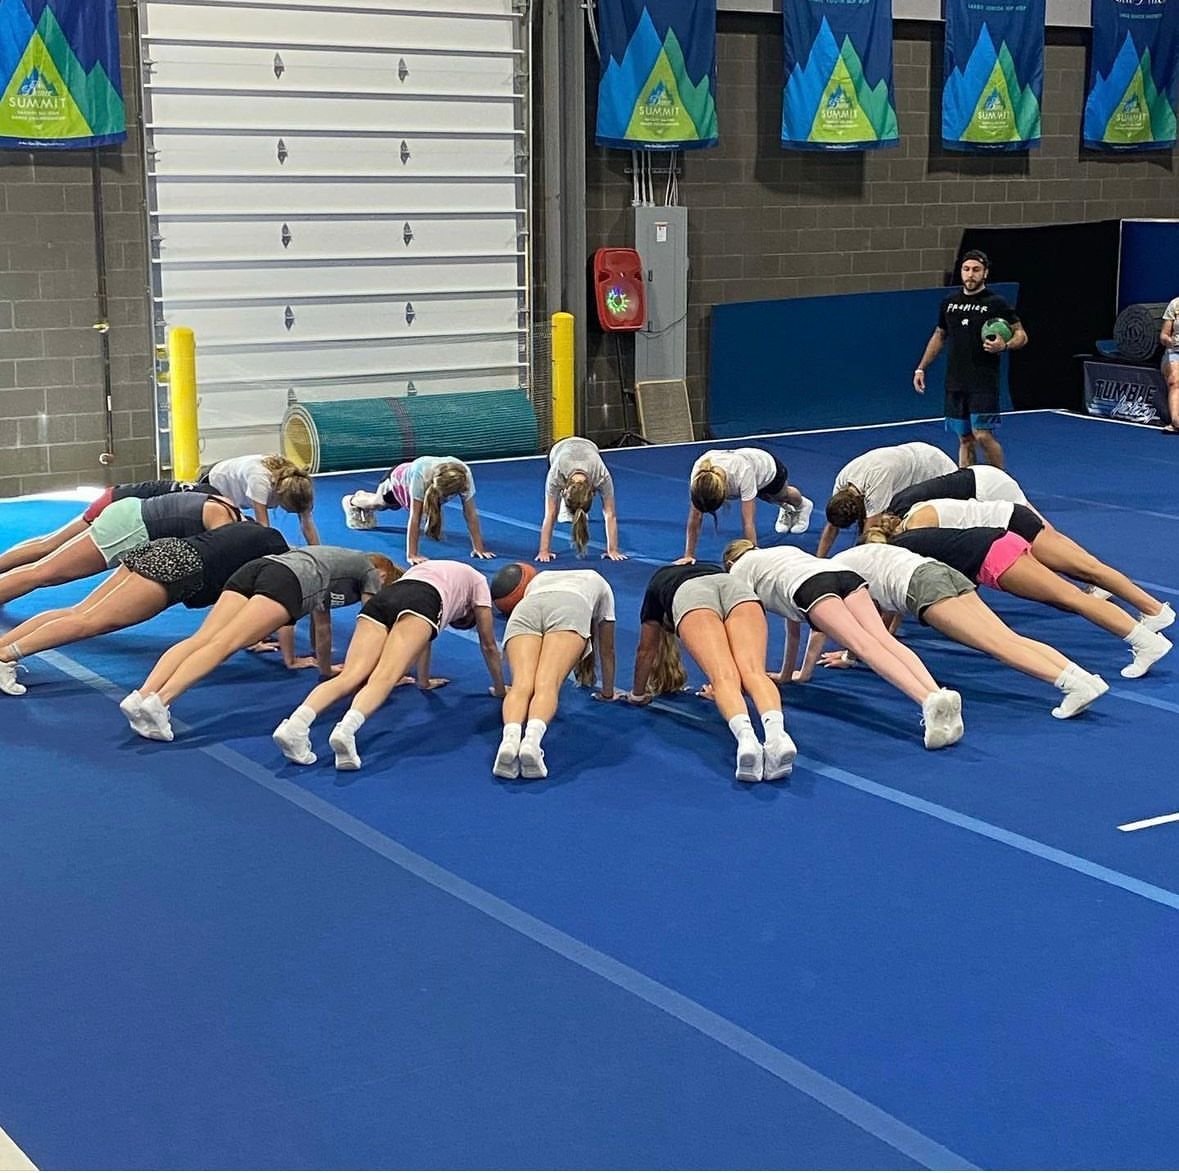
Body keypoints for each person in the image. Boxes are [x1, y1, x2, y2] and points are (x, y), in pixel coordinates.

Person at [120, 548, 401, 741]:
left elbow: (323, 627)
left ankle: (141, 696)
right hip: (288, 581)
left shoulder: (340, 563)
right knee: (225, 644)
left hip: (259, 568)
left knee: (204, 639)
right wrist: (383, 673)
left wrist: (325, 670)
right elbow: (372, 625)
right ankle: (161, 701)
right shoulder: (370, 572)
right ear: (384, 576)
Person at [0, 521, 288, 697]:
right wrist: (281, 651)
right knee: (92, 621)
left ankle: (3, 647)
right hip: (178, 569)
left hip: (161, 549)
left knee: (80, 611)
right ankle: (5, 657)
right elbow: (267, 601)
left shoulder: (252, 529)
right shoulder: (281, 561)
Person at [830, 537, 1108, 719]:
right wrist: (849, 656)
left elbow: (838, 626)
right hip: (941, 571)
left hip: (922, 587)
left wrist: (811, 668)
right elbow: (877, 615)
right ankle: (1084, 678)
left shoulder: (829, 577)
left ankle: (1071, 685)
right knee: (1008, 637)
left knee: (997, 646)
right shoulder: (854, 557)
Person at [724, 540, 964, 750]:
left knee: (863, 646)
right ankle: (938, 694)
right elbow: (793, 627)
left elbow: (743, 625)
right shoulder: (778, 554)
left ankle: (926, 700)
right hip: (843, 574)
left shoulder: (739, 570)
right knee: (882, 638)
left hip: (811, 586)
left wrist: (733, 682)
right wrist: (790, 674)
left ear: (731, 563)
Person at [272, 559, 505, 770]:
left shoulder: (432, 568)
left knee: (349, 675)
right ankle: (346, 730)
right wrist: (501, 688)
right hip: (424, 601)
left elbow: (424, 642)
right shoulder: (479, 583)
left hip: (387, 597)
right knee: (384, 677)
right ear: (469, 612)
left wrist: (423, 681)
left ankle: (295, 726)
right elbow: (488, 644)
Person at [877, 519, 1172, 679]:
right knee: (1068, 598)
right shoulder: (908, 542)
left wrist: (866, 650)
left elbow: (893, 602)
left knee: (1073, 599)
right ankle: (1144, 639)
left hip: (994, 556)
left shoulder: (898, 553)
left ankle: (1146, 642)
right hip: (997, 545)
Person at [894, 497, 1175, 633]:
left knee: (1087, 570)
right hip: (998, 534)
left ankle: (1153, 609)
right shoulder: (911, 521)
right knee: (1069, 591)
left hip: (1011, 524)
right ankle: (1144, 617)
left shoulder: (917, 529)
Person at [628, 562, 798, 782]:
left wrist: (638, 694)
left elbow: (646, 650)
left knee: (723, 677)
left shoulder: (655, 587)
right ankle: (777, 735)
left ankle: (747, 739)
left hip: (691, 595)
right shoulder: (704, 566)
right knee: (755, 672)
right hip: (735, 587)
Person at [0, 491, 241, 608]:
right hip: (130, 526)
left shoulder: (225, 507)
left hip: (131, 516)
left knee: (45, 568)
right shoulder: (223, 521)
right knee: (46, 573)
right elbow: (219, 570)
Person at [491, 568, 619, 779]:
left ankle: (509, 740)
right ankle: (531, 743)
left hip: (526, 608)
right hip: (570, 607)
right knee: (547, 684)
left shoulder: (540, 578)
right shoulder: (601, 583)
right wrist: (607, 693)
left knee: (521, 685)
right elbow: (607, 650)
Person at [913, 249, 1028, 469]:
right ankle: (969, 487)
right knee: (965, 439)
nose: (970, 274)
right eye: (966, 269)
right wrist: (921, 368)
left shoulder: (997, 303)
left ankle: (1000, 481)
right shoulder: (949, 303)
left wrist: (1005, 345)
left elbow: (1021, 335)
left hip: (983, 381)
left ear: (985, 273)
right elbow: (940, 335)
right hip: (956, 381)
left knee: (982, 434)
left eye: (976, 270)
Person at [0, 479, 220, 575]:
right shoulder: (212, 508)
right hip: (118, 504)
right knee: (49, 548)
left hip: (119, 497)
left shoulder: (206, 494)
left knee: (48, 543)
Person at [340, 455, 493, 565]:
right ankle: (353, 501)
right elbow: (415, 516)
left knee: (395, 506)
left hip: (422, 484)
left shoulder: (464, 476)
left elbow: (470, 513)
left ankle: (362, 498)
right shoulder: (421, 475)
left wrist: (478, 548)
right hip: (396, 482)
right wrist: (412, 554)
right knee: (379, 504)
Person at [816, 441, 957, 556]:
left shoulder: (877, 486)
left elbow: (870, 534)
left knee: (910, 524)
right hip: (911, 462)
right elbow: (831, 527)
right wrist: (818, 561)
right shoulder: (842, 483)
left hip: (933, 468)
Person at [678, 447, 813, 564]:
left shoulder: (742, 473)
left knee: (780, 496)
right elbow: (695, 516)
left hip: (767, 468)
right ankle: (785, 509)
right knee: (768, 499)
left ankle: (802, 505)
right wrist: (689, 555)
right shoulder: (700, 477)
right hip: (748, 469)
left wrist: (753, 556)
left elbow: (748, 521)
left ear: (725, 494)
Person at [536, 437, 626, 562]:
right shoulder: (556, 474)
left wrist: (612, 549)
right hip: (559, 449)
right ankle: (568, 504)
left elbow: (610, 514)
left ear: (593, 492)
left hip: (590, 447)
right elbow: (551, 514)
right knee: (558, 511)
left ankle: (574, 505)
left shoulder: (601, 475)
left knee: (572, 508)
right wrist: (543, 551)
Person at [201, 454, 320, 544]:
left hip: (237, 480)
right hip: (214, 479)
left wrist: (318, 554)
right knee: (228, 529)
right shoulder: (261, 483)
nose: (289, 513)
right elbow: (263, 527)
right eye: (289, 510)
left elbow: (308, 524)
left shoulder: (301, 486)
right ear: (279, 496)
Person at [884, 465, 1031, 519]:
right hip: (979, 475)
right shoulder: (897, 504)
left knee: (1039, 533)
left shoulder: (908, 514)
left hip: (987, 485)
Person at [1158, 296, 1179, 434]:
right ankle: (1176, 421)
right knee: (1175, 379)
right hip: (1175, 352)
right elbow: (1164, 336)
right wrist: (1172, 342)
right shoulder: (1175, 304)